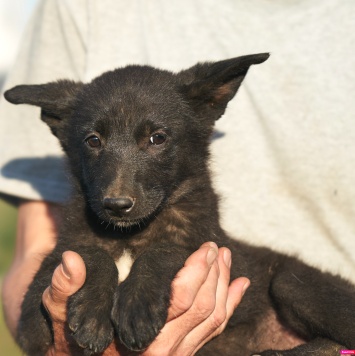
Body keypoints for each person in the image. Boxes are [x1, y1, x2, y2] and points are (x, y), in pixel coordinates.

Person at [1, 0, 355, 354]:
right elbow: (35, 323)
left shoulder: (193, 229)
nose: (118, 191)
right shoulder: (78, 9)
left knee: (294, 285)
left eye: (156, 139)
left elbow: (186, 254)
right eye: (95, 141)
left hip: (277, 312)